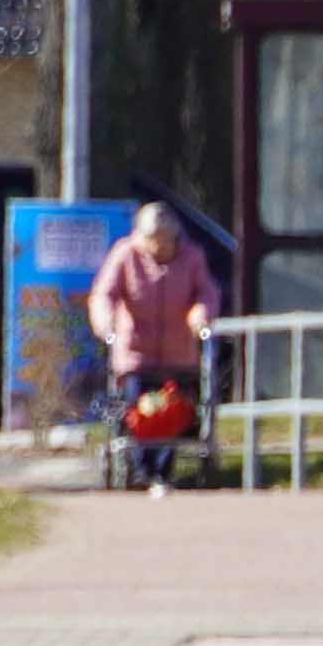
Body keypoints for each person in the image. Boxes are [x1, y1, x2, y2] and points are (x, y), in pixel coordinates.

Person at [86, 203, 218, 473]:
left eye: (164, 241)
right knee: (138, 414)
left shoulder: (192, 257)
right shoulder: (125, 254)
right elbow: (103, 294)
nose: (159, 248)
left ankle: (160, 470)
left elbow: (207, 292)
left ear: (174, 237)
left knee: (172, 413)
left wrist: (200, 315)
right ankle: (143, 468)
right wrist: (105, 323)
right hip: (135, 356)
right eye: (152, 241)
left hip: (178, 356)